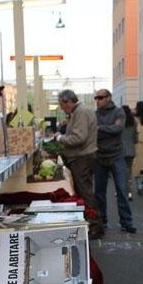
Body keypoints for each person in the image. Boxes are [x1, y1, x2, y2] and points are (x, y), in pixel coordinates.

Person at [54, 90, 104, 239]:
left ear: (68, 102)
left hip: (82, 158)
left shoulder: (80, 112)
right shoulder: (79, 112)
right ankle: (93, 223)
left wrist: (61, 138)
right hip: (82, 157)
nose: (62, 109)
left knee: (86, 193)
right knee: (86, 191)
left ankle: (95, 225)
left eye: (62, 105)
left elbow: (79, 138)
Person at [91, 89, 135, 232]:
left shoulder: (118, 112)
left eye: (100, 97)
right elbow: (93, 132)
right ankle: (101, 220)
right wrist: (105, 130)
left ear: (109, 98)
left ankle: (126, 222)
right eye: (96, 98)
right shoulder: (94, 114)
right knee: (99, 192)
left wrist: (100, 129)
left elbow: (117, 129)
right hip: (99, 156)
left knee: (122, 190)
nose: (97, 100)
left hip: (117, 156)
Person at [121, 105, 137, 195]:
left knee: (121, 171)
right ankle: (130, 190)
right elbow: (136, 138)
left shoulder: (119, 122)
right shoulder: (134, 122)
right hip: (131, 150)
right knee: (129, 171)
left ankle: (121, 189)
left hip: (120, 150)